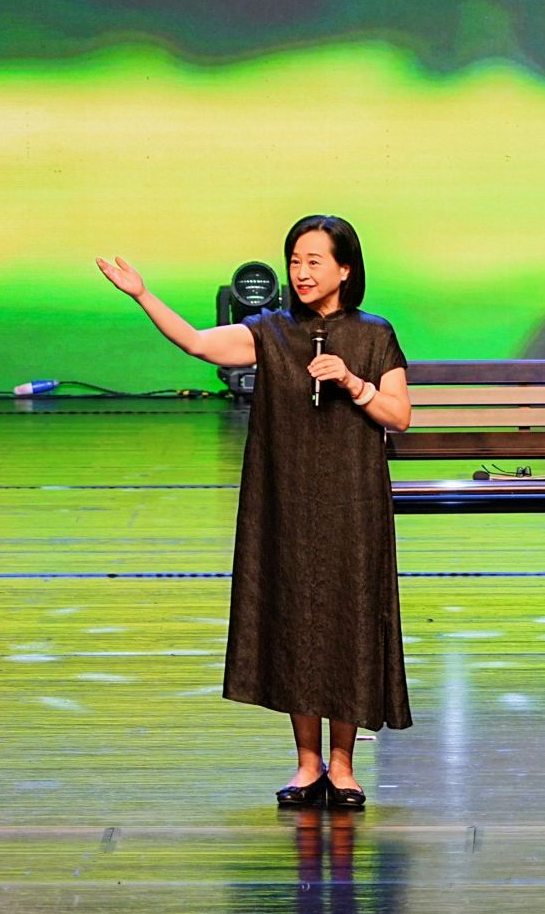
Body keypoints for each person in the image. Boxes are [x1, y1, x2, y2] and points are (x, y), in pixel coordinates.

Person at [98, 216, 412, 807]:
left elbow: (399, 415)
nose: (302, 272)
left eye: (315, 261)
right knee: (295, 618)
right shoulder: (270, 331)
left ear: (346, 269)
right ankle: (307, 763)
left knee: (346, 619)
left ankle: (343, 765)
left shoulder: (374, 334)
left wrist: (352, 382)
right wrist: (142, 294)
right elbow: (197, 342)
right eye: (295, 261)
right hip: (285, 495)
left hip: (352, 498)